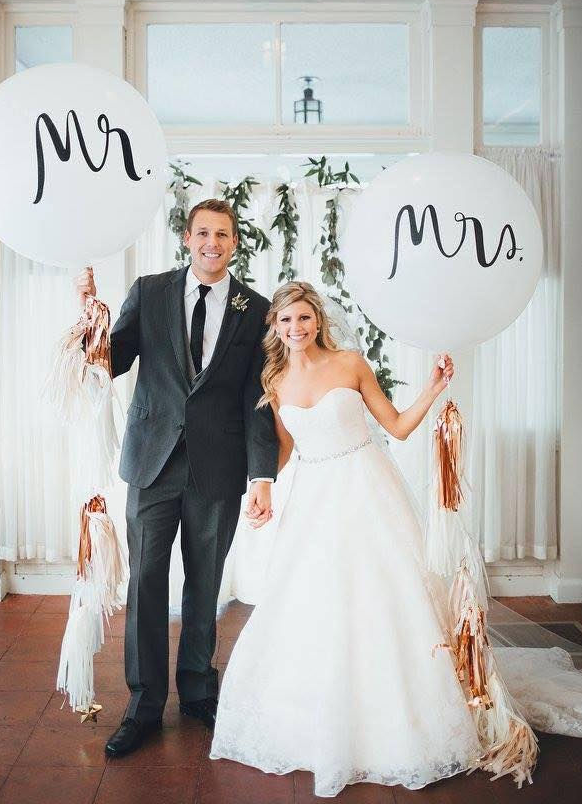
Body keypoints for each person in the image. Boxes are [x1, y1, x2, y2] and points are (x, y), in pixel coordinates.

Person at [210, 280, 483, 796]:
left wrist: (433, 388)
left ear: (319, 320)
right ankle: (316, 722)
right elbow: (286, 449)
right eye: (286, 320)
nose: (296, 328)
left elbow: (397, 428)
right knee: (313, 601)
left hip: (365, 487)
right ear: (275, 327)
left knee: (383, 596)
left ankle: (398, 720)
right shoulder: (273, 381)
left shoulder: (352, 363)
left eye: (304, 318)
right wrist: (260, 489)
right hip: (313, 497)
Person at [76, 198, 278, 758]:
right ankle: (143, 704)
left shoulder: (256, 309)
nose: (213, 242)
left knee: (204, 583)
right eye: (203, 232)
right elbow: (111, 360)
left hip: (218, 467)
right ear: (187, 238)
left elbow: (257, 400)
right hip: (152, 462)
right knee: (145, 581)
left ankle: (196, 691)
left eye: (224, 234)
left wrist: (263, 475)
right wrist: (92, 315)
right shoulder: (151, 290)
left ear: (235, 242)